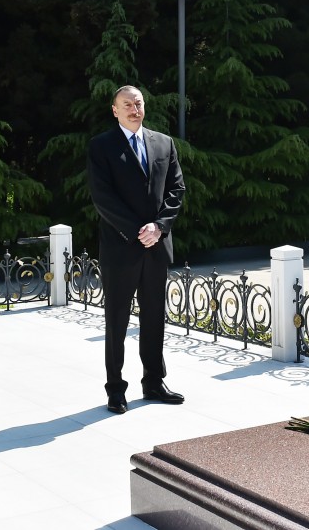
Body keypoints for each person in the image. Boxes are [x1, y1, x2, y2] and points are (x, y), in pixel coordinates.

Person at [87, 85, 186, 413]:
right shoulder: (101, 146)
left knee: (155, 317)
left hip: (156, 247)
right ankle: (115, 388)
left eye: (138, 103)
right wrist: (135, 230)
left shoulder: (163, 143)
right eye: (126, 104)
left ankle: (154, 382)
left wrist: (158, 227)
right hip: (121, 249)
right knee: (117, 320)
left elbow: (176, 188)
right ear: (114, 110)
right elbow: (103, 197)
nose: (134, 109)